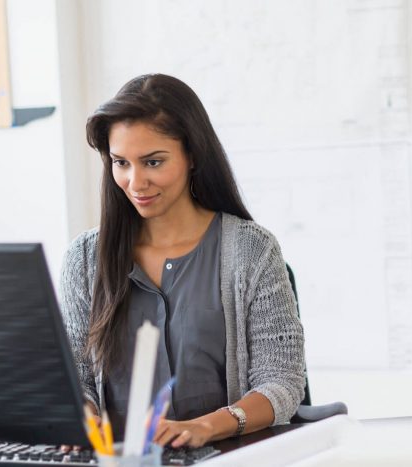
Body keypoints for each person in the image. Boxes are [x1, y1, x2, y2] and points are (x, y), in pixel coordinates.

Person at [59, 74, 305, 449]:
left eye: (153, 162)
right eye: (120, 162)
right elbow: (75, 377)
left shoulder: (252, 251)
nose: (135, 182)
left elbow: (282, 382)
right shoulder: (84, 259)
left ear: (192, 155)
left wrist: (207, 426)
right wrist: (83, 418)